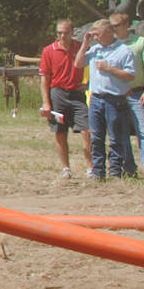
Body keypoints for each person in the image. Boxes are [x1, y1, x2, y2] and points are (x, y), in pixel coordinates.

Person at [75, 18, 136, 179]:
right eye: (93, 35)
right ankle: (98, 171)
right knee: (96, 136)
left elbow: (130, 75)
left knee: (115, 137)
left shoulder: (124, 51)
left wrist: (110, 69)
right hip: (96, 99)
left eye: (98, 34)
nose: (96, 37)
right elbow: (78, 64)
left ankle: (115, 170)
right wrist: (84, 44)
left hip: (115, 100)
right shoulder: (95, 50)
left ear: (109, 32)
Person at [37, 18, 91, 179]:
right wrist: (46, 102)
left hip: (77, 94)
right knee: (60, 132)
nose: (62, 36)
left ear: (72, 32)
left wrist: (88, 84)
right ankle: (66, 169)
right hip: (58, 94)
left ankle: (91, 169)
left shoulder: (80, 47)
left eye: (66, 32)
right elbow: (45, 79)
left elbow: (96, 66)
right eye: (59, 33)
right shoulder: (49, 51)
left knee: (87, 130)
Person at [111, 13, 144, 180]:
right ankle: (129, 168)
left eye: (117, 25)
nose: (114, 29)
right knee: (121, 133)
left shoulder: (141, 43)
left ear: (127, 24)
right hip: (117, 95)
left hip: (137, 93)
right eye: (112, 26)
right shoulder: (111, 45)